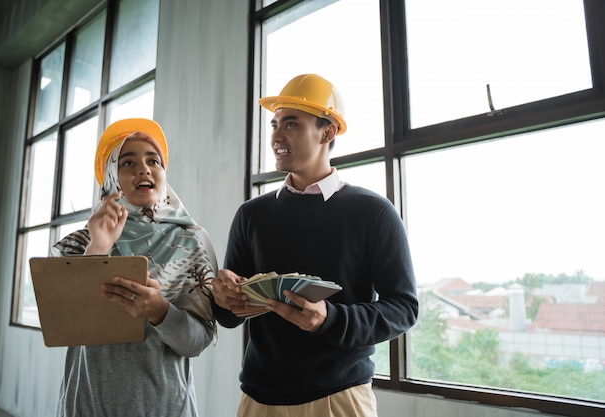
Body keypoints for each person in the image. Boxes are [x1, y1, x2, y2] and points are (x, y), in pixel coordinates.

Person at [211, 74, 419, 417]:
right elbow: (229, 315)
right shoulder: (251, 214)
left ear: (327, 132)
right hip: (259, 400)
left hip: (340, 399)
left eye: (291, 123)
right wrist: (222, 298)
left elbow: (403, 308)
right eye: (275, 124)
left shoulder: (373, 212)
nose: (277, 134)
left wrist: (330, 319)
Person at [51, 118, 217, 417]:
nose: (144, 169)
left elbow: (197, 341)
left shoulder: (190, 243)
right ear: (110, 179)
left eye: (154, 160)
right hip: (87, 403)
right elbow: (63, 326)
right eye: (128, 163)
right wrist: (97, 249)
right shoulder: (80, 243)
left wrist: (160, 312)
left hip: (164, 407)